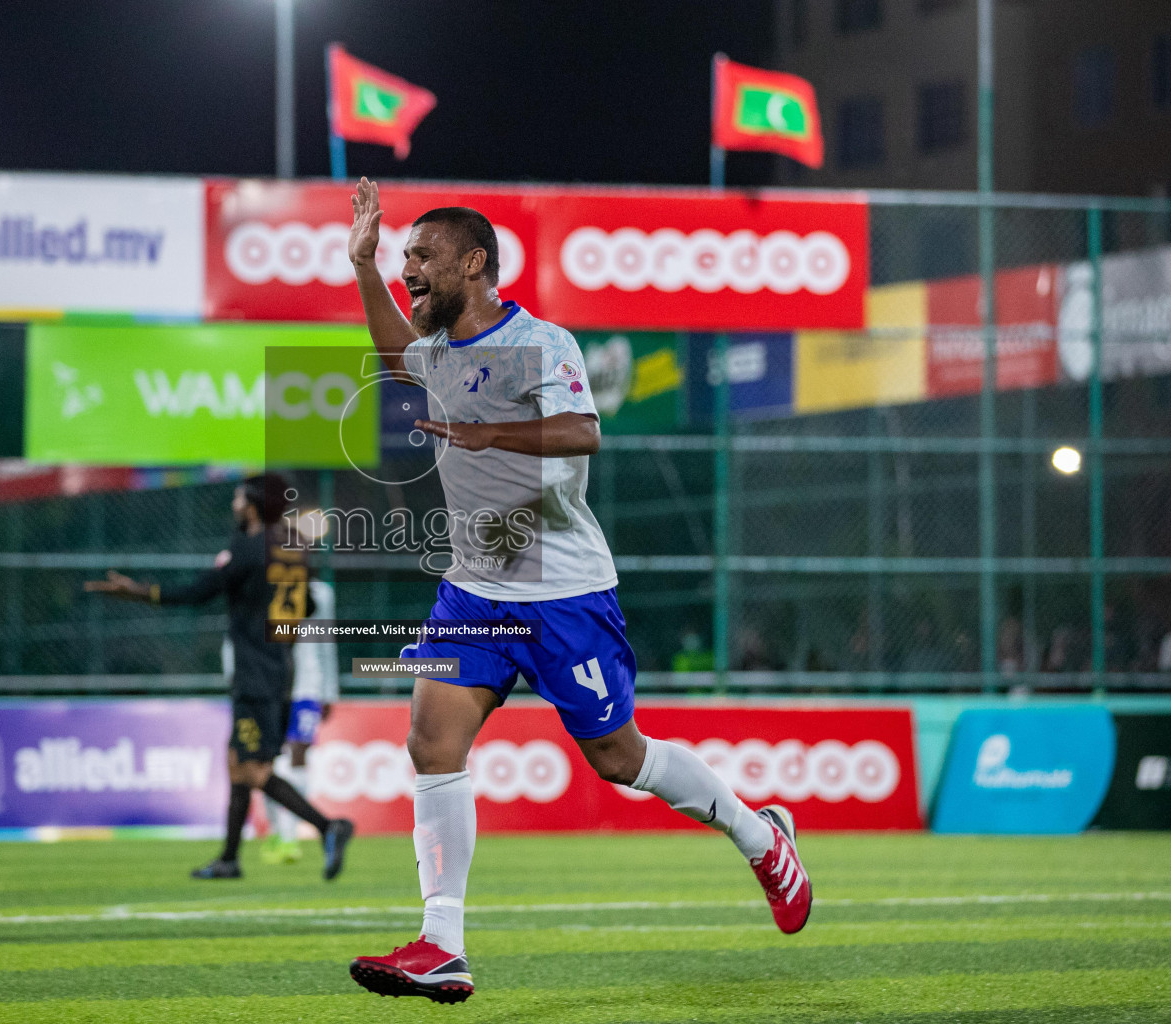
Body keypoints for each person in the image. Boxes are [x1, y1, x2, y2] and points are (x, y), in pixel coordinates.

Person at [343, 179, 812, 1004]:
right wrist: (365, 267)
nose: (409, 268)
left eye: (421, 256)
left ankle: (759, 833)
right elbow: (392, 358)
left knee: (618, 758)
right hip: (474, 591)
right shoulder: (441, 351)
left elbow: (583, 431)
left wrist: (489, 431)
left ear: (474, 262)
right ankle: (441, 943)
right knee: (431, 742)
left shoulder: (540, 341)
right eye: (405, 257)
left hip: (564, 593)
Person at [86, 476, 354, 881]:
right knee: (237, 764)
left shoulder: (247, 549)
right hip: (281, 667)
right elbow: (311, 603)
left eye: (238, 495)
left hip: (254, 673)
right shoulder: (296, 548)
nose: (234, 502)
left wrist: (138, 592)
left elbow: (198, 592)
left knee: (254, 770)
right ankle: (229, 859)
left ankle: (326, 826)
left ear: (251, 505)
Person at [260, 578, 339, 865]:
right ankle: (278, 831)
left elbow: (325, 640)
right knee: (265, 761)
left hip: (307, 686)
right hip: (271, 686)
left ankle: (289, 837)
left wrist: (329, 690)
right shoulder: (264, 584)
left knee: (297, 757)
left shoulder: (320, 593)